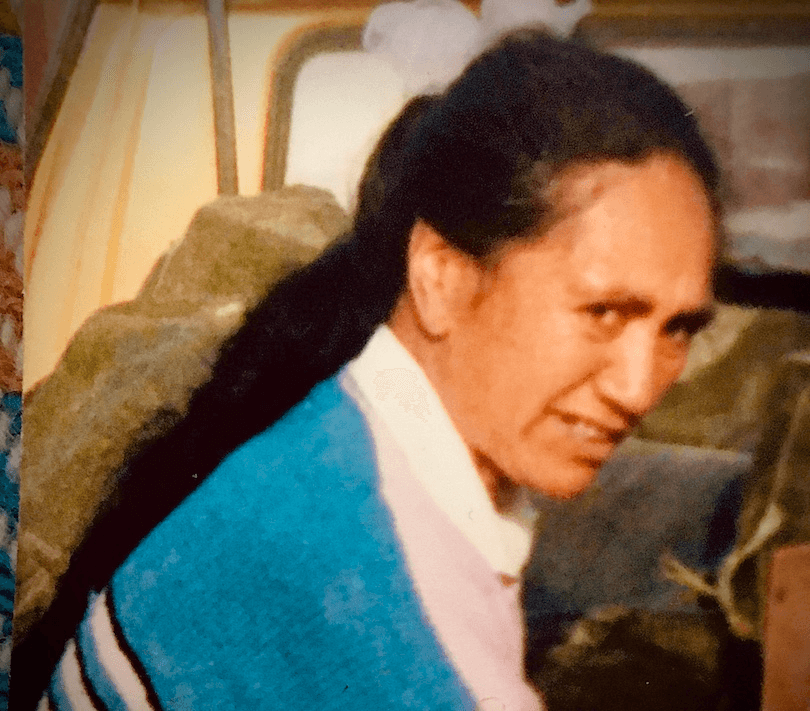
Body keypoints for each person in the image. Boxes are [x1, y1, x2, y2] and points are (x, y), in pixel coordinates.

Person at [26, 28, 720, 710]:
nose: (639, 386)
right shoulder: (391, 623)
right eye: (603, 311)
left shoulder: (339, 435)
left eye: (679, 327)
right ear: (441, 276)